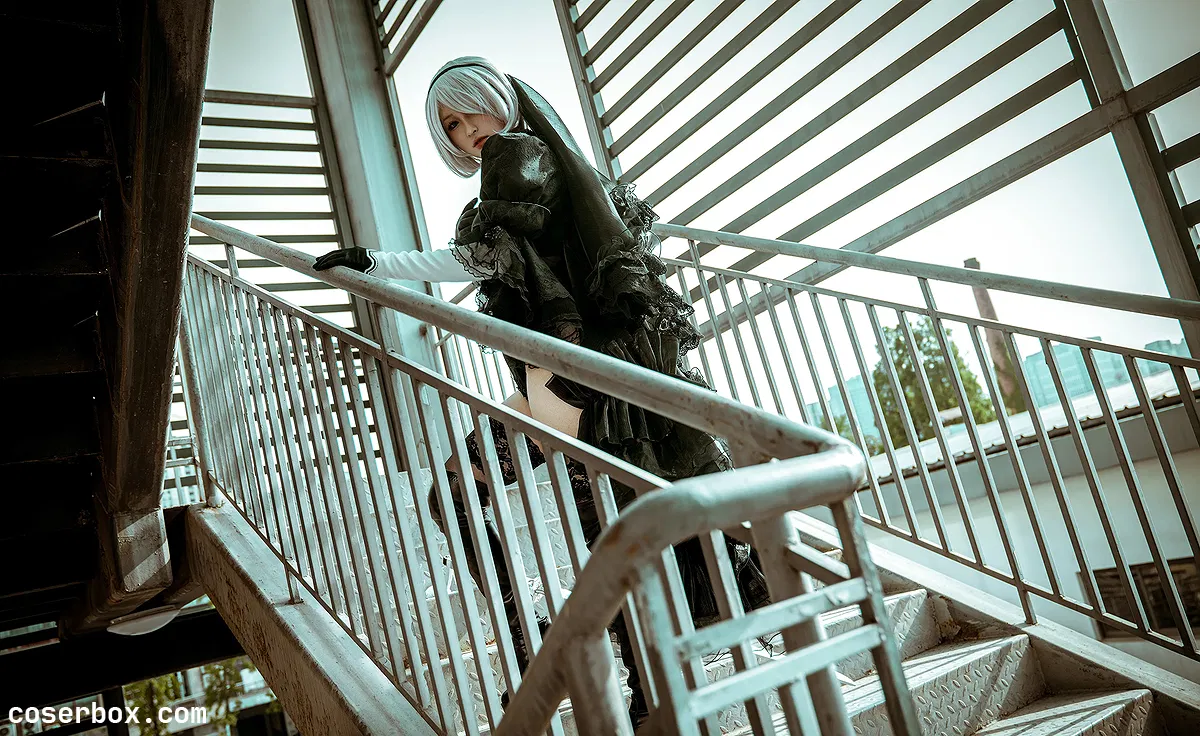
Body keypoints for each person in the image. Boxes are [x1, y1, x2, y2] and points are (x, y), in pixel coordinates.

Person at [314, 56, 771, 728]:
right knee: (466, 496)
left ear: (496, 98)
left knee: (600, 535)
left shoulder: (520, 159)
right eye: (451, 125)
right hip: (554, 390)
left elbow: (481, 258)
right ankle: (546, 643)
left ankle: (629, 683)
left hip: (580, 391)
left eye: (469, 110)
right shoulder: (538, 165)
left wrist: (376, 263)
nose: (467, 130)